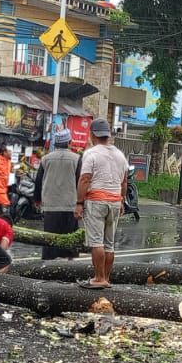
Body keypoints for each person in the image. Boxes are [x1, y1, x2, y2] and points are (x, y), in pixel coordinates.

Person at [74, 119, 129, 289]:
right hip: (114, 201)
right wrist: (121, 200)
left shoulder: (91, 154)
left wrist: (79, 203)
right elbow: (124, 182)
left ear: (92, 135)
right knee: (109, 243)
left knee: (96, 242)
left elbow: (84, 179)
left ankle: (99, 278)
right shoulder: (120, 155)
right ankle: (106, 278)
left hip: (96, 200)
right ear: (107, 135)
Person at [35, 129, 80, 260]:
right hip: (70, 205)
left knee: (50, 238)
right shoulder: (76, 159)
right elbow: (80, 181)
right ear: (69, 142)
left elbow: (39, 181)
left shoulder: (45, 159)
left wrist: (37, 200)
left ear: (56, 143)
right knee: (70, 238)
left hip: (51, 205)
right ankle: (70, 263)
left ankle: (49, 265)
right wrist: (81, 203)